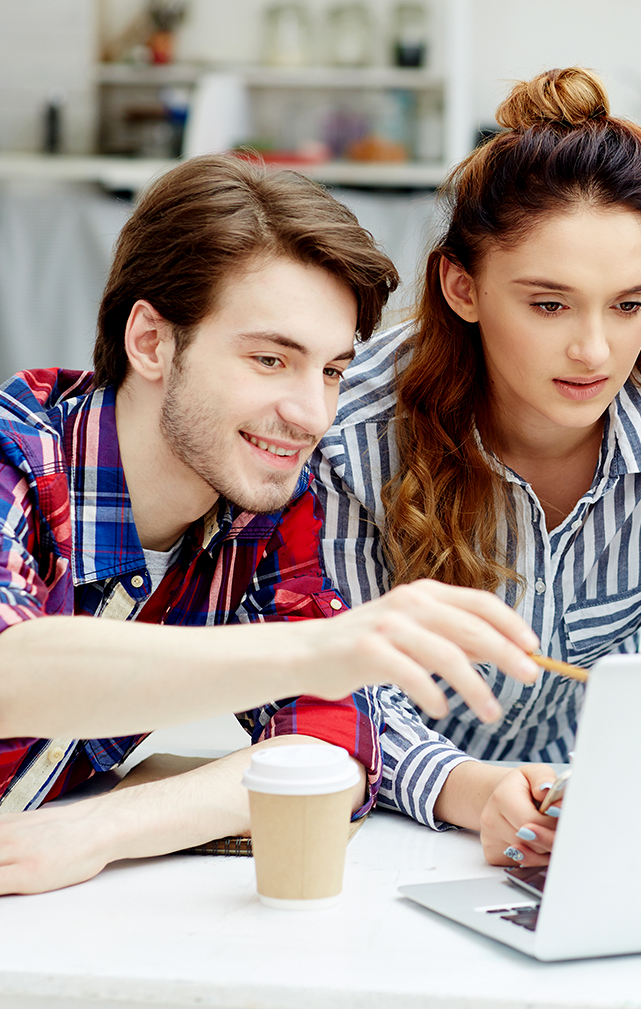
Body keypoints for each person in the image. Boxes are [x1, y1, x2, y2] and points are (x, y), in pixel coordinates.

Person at [0, 154, 542, 894]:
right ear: (152, 342)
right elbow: (14, 667)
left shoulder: (260, 508)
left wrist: (103, 829)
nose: (314, 415)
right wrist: (321, 646)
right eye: (269, 359)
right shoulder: (15, 457)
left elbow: (336, 742)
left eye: (330, 371)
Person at [310, 68, 641, 868]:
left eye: (629, 303)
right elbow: (335, 686)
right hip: (386, 819)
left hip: (584, 814)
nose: (595, 351)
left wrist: (632, 798)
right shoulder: (357, 424)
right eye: (549, 305)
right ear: (463, 286)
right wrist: (474, 791)